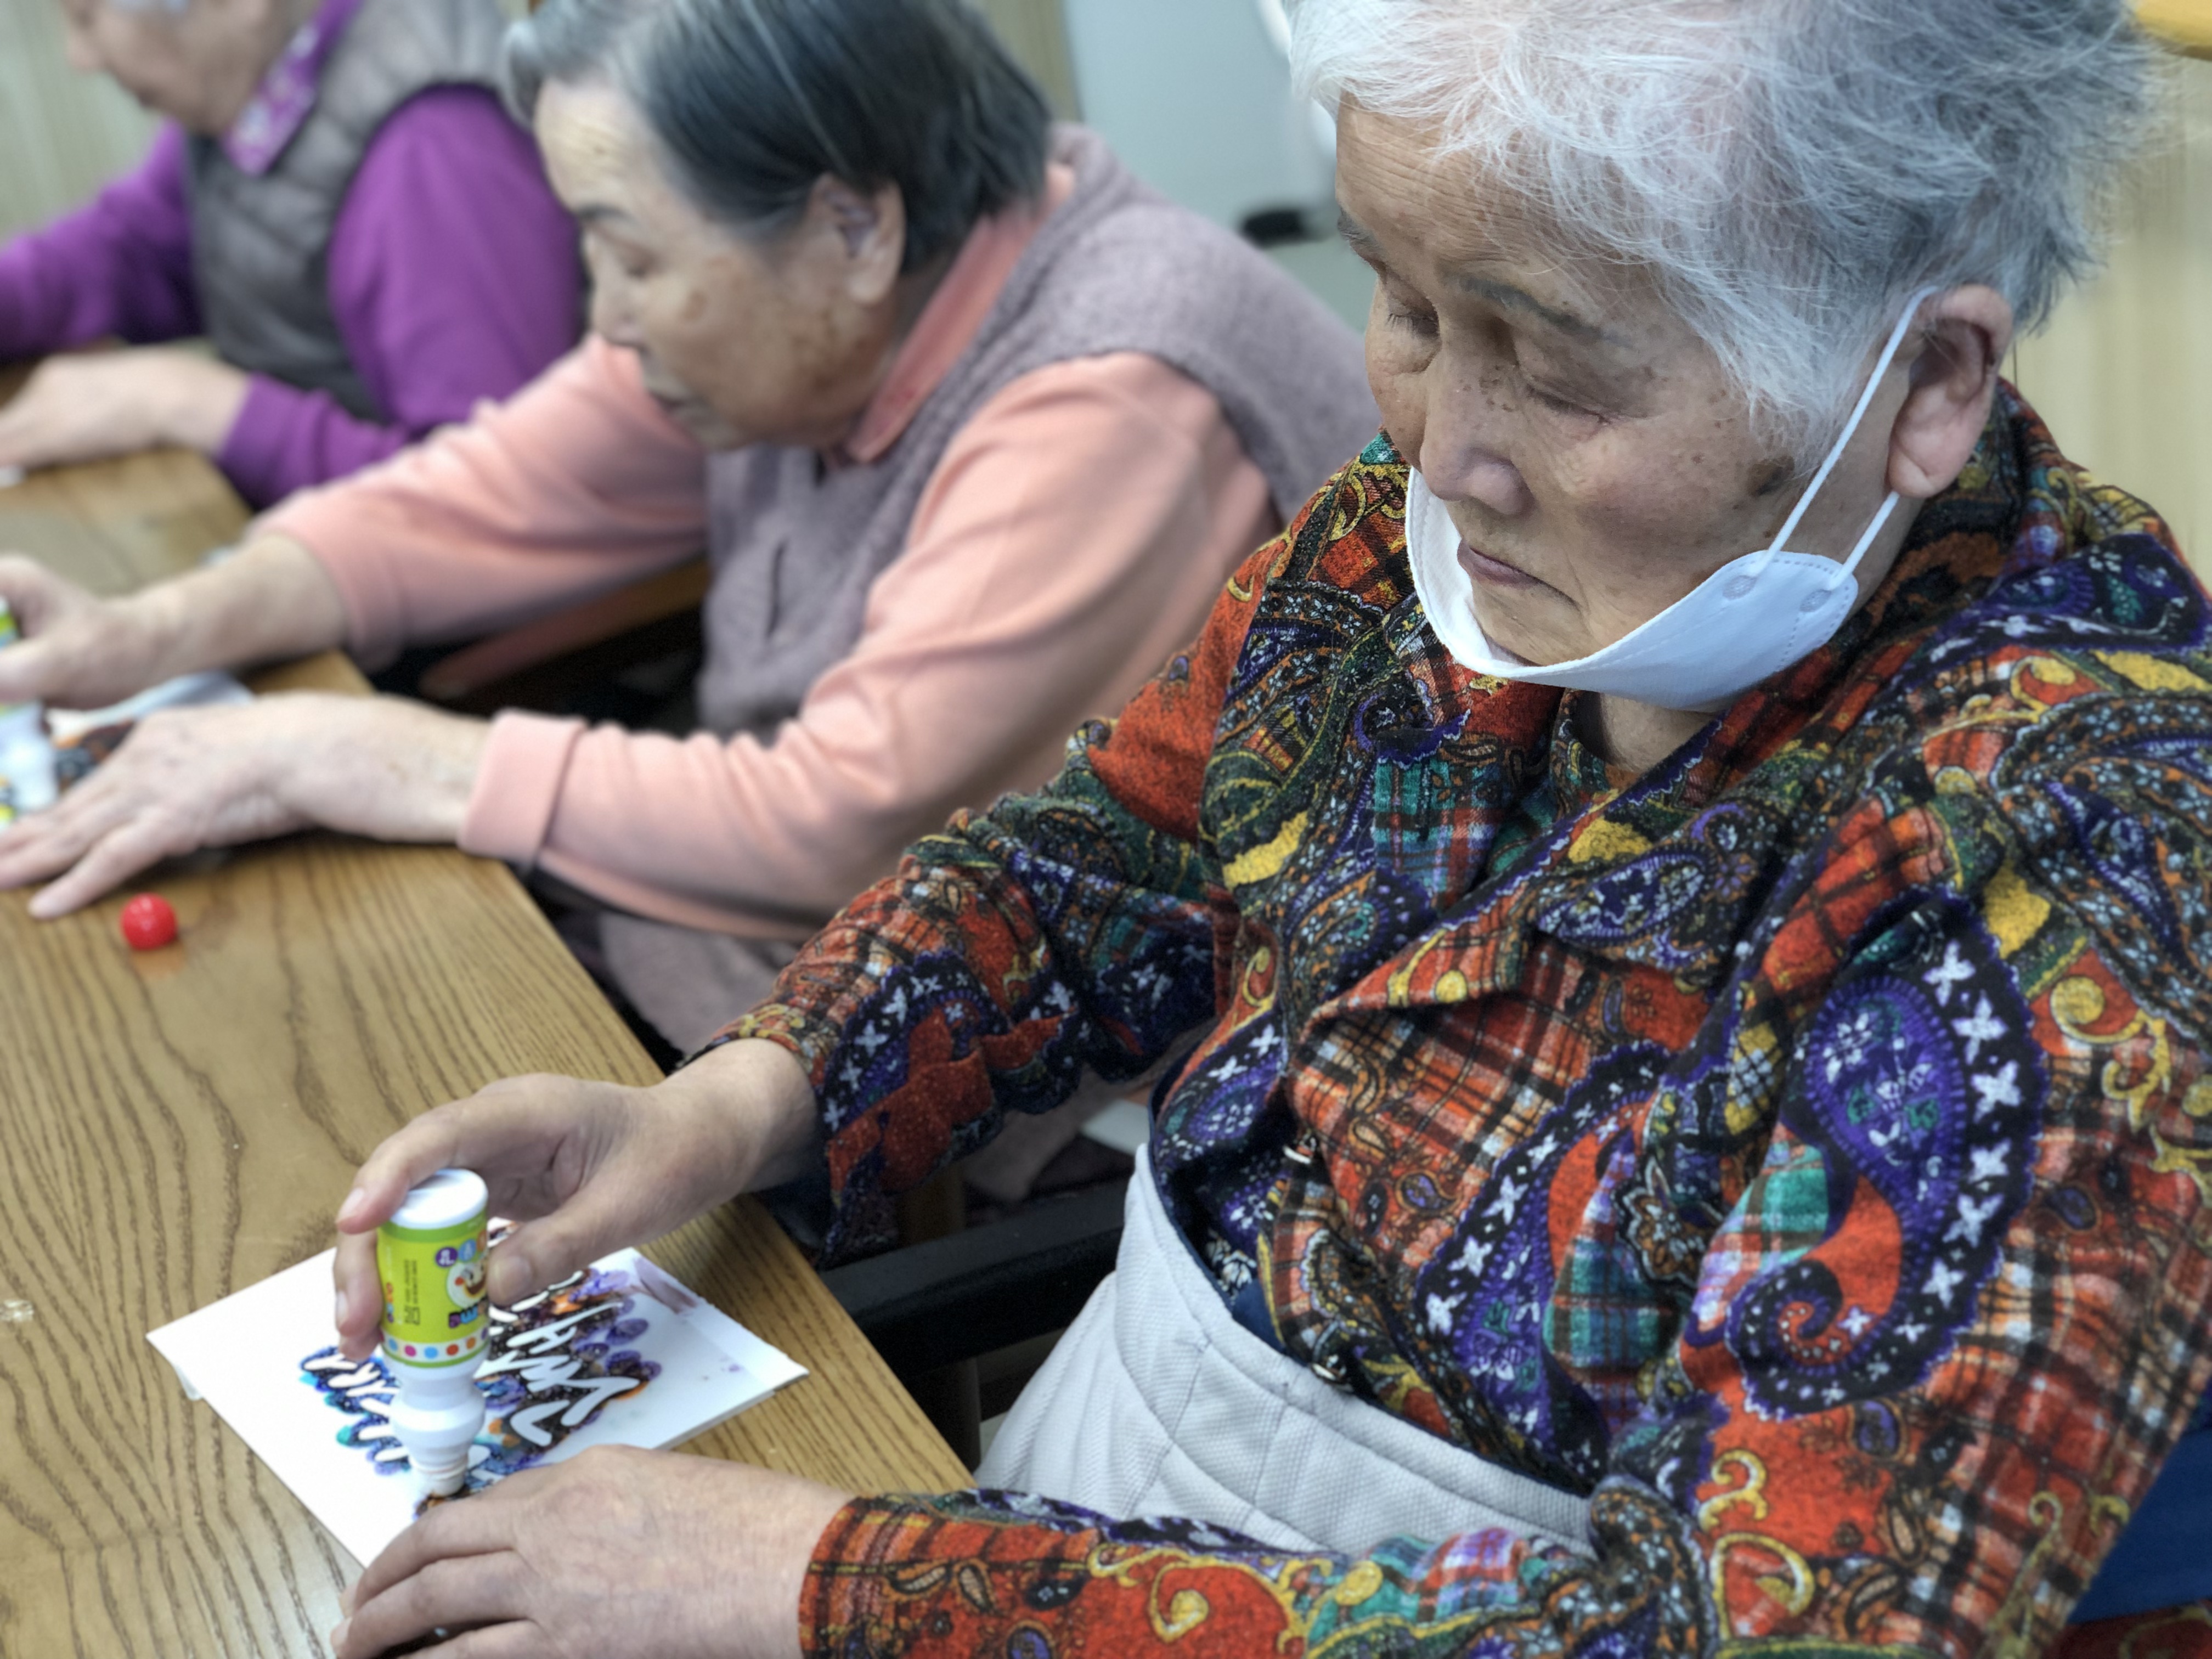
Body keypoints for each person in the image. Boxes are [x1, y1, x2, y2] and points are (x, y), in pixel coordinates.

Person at [314, 0, 2212, 1655]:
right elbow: (1113, 860)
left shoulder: (2075, 842)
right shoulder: (1427, 546)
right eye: (1406, 304)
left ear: (1927, 383)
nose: (1444, 445)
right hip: (1109, 1487)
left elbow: (1749, 1628)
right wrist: (731, 1105)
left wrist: (831, 1585)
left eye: (1556, 366)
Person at [0, 0, 1377, 1053]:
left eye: (634, 255)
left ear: (852, 230)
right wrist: (153, 629)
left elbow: (834, 827)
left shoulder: (1108, 399)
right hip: (798, 967)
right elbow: (472, 493)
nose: (603, 315)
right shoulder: (832, 293)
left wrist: (377, 754)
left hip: (1061, 1074)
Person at [0, 0, 582, 506]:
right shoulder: (257, 90)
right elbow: (127, 250)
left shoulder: (433, 146)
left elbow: (498, 494)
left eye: (87, 16)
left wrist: (196, 406)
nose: (79, 57)